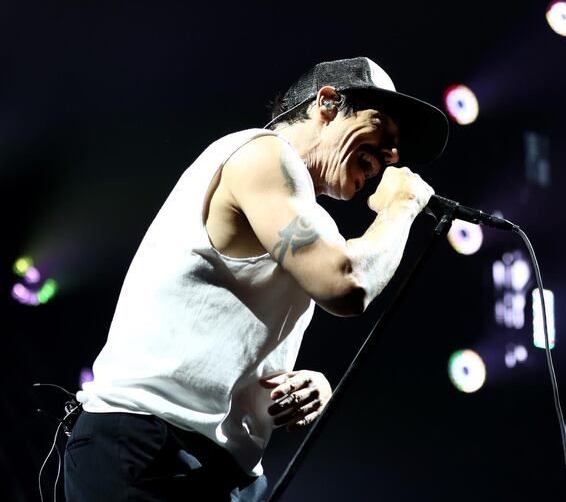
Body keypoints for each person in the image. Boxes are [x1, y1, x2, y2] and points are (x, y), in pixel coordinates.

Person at [64, 57, 449, 501]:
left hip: (221, 470)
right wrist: (401, 206)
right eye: (382, 128)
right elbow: (345, 284)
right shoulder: (263, 156)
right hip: (148, 448)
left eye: (397, 148)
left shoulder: (296, 205)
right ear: (327, 103)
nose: (392, 155)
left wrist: (302, 386)